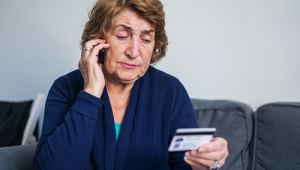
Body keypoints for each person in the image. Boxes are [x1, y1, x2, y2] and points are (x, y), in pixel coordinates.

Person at [33, 0, 228, 169]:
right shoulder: (65, 88)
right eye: (122, 36)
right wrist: (90, 92)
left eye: (145, 39)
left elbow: (187, 164)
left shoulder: (171, 91)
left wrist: (206, 163)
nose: (134, 52)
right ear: (97, 39)